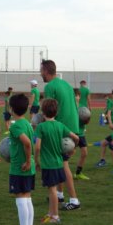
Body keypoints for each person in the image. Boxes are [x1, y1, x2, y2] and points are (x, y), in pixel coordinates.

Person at [40, 59, 81, 210]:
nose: (40, 74)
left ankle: (74, 200)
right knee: (60, 162)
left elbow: (48, 109)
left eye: (41, 70)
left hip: (62, 129)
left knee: (63, 165)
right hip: (73, 128)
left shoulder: (50, 86)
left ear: (45, 70)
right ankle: (59, 194)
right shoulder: (67, 85)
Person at [35, 98, 78, 225]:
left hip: (49, 165)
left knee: (52, 190)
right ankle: (50, 213)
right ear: (56, 112)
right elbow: (75, 138)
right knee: (51, 190)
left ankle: (55, 216)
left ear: (43, 112)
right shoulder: (60, 125)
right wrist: (72, 150)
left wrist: (36, 160)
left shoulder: (41, 127)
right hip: (59, 163)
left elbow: (37, 147)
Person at [6, 94, 36, 225]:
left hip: (20, 167)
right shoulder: (26, 123)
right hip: (28, 167)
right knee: (27, 198)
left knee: (20, 198)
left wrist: (27, 162)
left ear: (11, 109)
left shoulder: (16, 126)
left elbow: (27, 143)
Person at [73, 89, 90, 180]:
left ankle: (78, 173)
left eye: (77, 95)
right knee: (68, 153)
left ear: (79, 97)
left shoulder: (83, 107)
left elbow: (87, 120)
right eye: (74, 95)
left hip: (81, 134)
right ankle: (61, 170)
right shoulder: (70, 108)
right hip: (73, 133)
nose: (76, 97)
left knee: (84, 153)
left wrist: (86, 120)